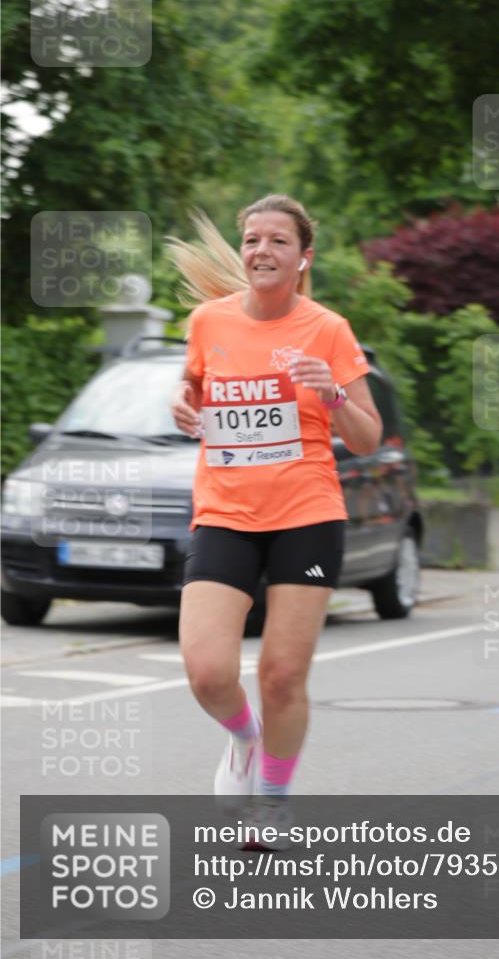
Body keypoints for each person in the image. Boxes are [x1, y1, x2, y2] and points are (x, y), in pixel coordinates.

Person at [168, 194, 382, 812]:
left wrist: (335, 395)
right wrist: (182, 405)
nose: (262, 250)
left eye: (278, 241)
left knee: (282, 676)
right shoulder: (209, 321)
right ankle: (244, 740)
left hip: (307, 515)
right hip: (226, 513)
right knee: (208, 670)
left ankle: (274, 799)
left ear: (303, 258)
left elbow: (367, 439)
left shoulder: (327, 329)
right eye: (253, 240)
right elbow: (193, 387)